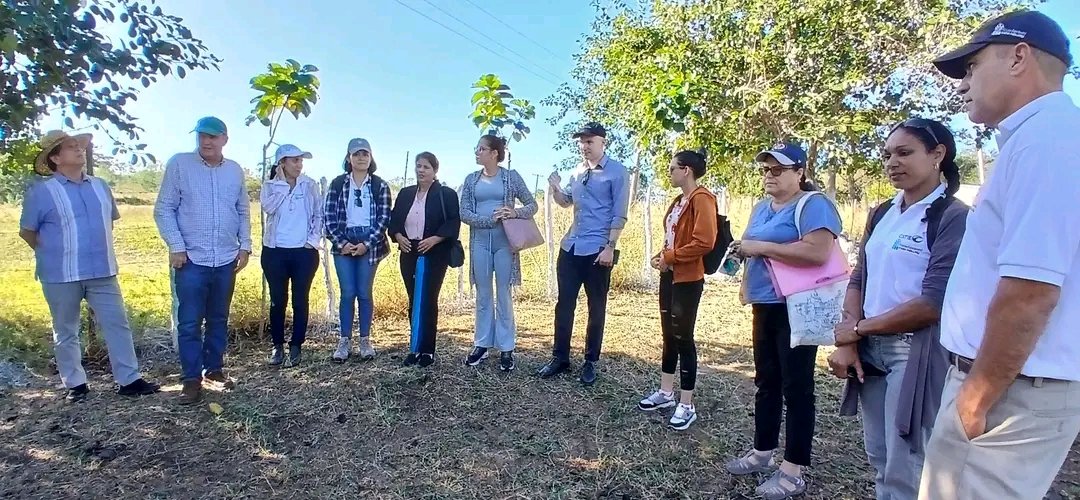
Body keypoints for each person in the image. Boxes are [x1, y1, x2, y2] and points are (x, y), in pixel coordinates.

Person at [918, 11, 1080, 500]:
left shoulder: (1048, 141)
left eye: (971, 68)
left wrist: (976, 396)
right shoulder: (1043, 138)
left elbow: (1030, 291)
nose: (963, 85)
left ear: (1018, 56)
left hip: (1009, 392)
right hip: (1011, 386)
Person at [826, 119, 968, 500]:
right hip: (871, 351)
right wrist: (852, 335)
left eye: (905, 153)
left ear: (937, 155)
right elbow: (860, 277)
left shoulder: (952, 217)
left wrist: (859, 330)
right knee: (881, 457)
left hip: (914, 352)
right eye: (888, 154)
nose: (892, 162)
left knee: (907, 465)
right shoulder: (882, 212)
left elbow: (932, 303)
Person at [723, 143, 842, 500]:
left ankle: (792, 470)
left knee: (797, 386)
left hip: (797, 306)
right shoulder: (761, 207)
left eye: (778, 169)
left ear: (799, 172)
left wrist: (760, 248)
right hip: (766, 305)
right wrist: (745, 280)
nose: (770, 175)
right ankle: (762, 452)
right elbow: (748, 247)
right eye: (765, 169)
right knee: (766, 381)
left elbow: (817, 251)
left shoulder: (813, 204)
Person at [18, 130, 160, 402]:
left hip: (102, 270)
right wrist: (52, 253)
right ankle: (75, 385)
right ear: (56, 158)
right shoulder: (42, 192)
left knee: (117, 324)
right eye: (71, 147)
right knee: (66, 329)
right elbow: (28, 232)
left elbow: (110, 221)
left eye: (79, 146)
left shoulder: (100, 186)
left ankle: (129, 380)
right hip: (61, 274)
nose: (79, 150)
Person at [154, 116, 251, 405]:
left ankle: (215, 369)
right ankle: (191, 379)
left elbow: (243, 210)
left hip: (225, 258)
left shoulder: (234, 171)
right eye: (201, 136)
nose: (206, 142)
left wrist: (244, 246)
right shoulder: (180, 165)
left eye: (212, 136)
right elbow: (164, 209)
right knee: (189, 321)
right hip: (191, 259)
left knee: (219, 317)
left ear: (224, 139)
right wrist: (176, 246)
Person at [538, 122, 630, 385]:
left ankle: (590, 361)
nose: (584, 146)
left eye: (590, 141)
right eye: (581, 141)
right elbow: (566, 201)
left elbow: (619, 212)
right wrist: (555, 188)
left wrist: (610, 247)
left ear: (603, 142)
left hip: (598, 249)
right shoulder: (577, 172)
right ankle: (560, 357)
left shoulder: (616, 172)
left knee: (596, 306)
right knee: (564, 304)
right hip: (572, 246)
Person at [637, 149, 717, 431]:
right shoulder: (679, 201)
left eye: (672, 168)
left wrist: (670, 258)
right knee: (668, 335)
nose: (669, 173)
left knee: (684, 337)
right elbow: (674, 238)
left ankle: (687, 404)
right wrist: (662, 256)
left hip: (687, 278)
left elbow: (704, 242)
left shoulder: (702, 199)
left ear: (687, 170)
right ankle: (666, 393)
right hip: (669, 275)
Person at [459, 135, 538, 372]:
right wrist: (486, 220)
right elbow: (464, 212)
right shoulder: (471, 180)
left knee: (504, 294)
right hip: (480, 243)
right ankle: (482, 344)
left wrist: (514, 213)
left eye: (481, 148)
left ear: (494, 153)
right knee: (483, 294)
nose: (477, 152)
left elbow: (532, 205)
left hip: (505, 243)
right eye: (477, 147)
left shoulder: (511, 177)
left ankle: (506, 347)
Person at [388, 152, 460, 368]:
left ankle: (427, 351)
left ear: (435, 170)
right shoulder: (406, 194)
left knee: (428, 299)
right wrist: (399, 237)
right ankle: (414, 348)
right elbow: (395, 221)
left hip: (434, 253)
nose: (421, 170)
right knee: (413, 298)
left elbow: (453, 222)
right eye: (419, 166)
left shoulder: (445, 194)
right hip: (409, 250)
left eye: (426, 167)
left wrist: (435, 239)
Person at [324, 137, 391, 363]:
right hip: (343, 242)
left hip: (369, 243)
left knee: (364, 292)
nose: (361, 158)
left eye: (365, 154)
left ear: (371, 158)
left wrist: (366, 244)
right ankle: (344, 341)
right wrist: (341, 243)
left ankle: (364, 340)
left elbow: (383, 219)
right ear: (348, 158)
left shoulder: (379, 185)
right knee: (347, 293)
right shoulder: (337, 184)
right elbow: (329, 218)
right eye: (356, 154)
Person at [260, 144, 323, 368]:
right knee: (278, 301)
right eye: (294, 160)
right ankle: (277, 345)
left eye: (300, 160)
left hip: (303, 253)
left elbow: (318, 214)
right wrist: (282, 186)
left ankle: (296, 345)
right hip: (275, 251)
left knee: (300, 300)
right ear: (282, 163)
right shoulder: (270, 186)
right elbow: (269, 207)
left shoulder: (310, 185)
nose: (299, 164)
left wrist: (311, 242)